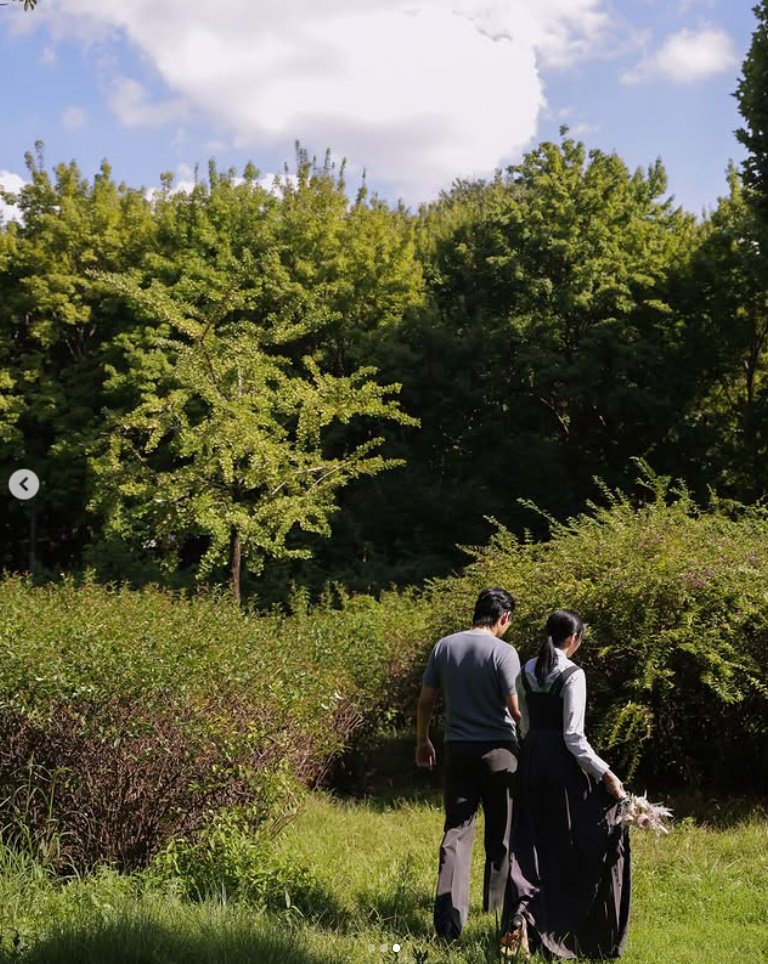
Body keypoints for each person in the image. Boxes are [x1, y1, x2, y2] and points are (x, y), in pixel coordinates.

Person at [500, 609, 630, 960]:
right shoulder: (573, 674)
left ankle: (521, 919)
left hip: (529, 761)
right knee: (566, 846)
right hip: (560, 766)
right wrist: (606, 774)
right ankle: (556, 926)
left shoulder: (526, 669)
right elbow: (574, 738)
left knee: (529, 844)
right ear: (573, 639)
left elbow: (524, 725)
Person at [415, 586, 521, 941]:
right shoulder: (505, 653)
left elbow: (426, 700)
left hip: (457, 750)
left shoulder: (444, 646)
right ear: (503, 618)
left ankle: (448, 924)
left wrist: (422, 739)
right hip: (499, 752)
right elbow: (515, 709)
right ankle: (496, 913)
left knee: (456, 833)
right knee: (501, 835)